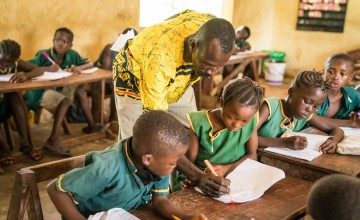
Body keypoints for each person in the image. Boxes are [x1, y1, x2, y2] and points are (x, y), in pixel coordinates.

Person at [47, 110, 207, 220]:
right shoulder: (107, 167)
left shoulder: (157, 163)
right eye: (173, 163)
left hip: (126, 213)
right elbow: (55, 190)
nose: (175, 167)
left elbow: (160, 201)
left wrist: (186, 217)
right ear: (147, 159)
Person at [113, 9, 235, 140]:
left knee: (194, 128)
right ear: (193, 45)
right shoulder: (160, 60)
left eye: (217, 66)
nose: (212, 73)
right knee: (137, 140)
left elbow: (179, 16)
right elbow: (156, 118)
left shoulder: (211, 25)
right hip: (135, 79)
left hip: (176, 78)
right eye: (208, 64)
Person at [174, 77, 263, 191]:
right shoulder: (199, 123)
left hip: (235, 176)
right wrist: (195, 177)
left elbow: (252, 156)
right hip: (202, 178)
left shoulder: (251, 121)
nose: (236, 125)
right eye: (231, 117)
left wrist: (226, 168)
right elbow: (189, 162)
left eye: (244, 121)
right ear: (221, 102)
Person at [24, 27, 102, 156]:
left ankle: (92, 126)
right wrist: (46, 68)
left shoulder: (72, 55)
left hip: (61, 88)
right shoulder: (43, 54)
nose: (60, 43)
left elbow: (91, 64)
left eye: (64, 41)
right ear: (53, 40)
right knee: (65, 101)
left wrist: (79, 67)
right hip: (41, 92)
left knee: (80, 91)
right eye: (58, 40)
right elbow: (27, 67)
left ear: (70, 45)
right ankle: (53, 138)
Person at [257, 70, 344, 153]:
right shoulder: (269, 107)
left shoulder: (304, 115)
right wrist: (284, 143)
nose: (310, 109)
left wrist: (333, 141)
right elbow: (246, 137)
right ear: (291, 92)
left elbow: (337, 129)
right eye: (307, 102)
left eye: (315, 106)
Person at [0, 39, 50, 168]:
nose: (5, 66)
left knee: (15, 96)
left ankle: (26, 145)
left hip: (5, 106)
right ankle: (4, 149)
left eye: (9, 63)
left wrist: (26, 75)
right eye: (3, 62)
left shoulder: (15, 62)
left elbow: (39, 70)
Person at [94, 27, 138, 122]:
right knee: (117, 87)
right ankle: (108, 121)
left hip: (116, 79)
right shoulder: (110, 49)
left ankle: (117, 120)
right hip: (103, 80)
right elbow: (106, 73)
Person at [315, 53, 360, 127]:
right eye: (331, 72)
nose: (336, 77)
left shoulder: (350, 94)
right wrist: (353, 123)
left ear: (350, 77)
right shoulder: (313, 94)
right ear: (324, 71)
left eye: (342, 74)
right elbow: (311, 119)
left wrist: (357, 113)